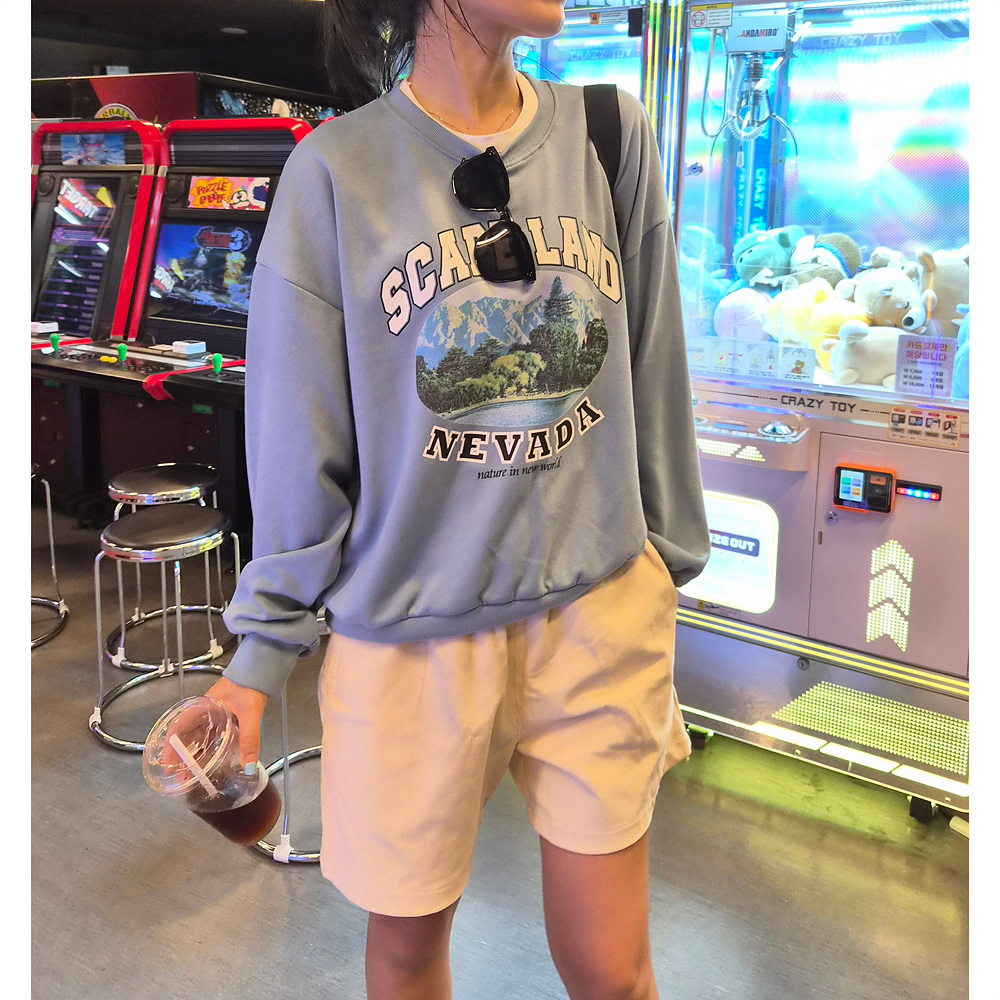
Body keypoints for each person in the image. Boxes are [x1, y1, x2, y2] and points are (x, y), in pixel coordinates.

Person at [207, 1, 710, 997]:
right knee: (406, 950)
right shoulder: (336, 173)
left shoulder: (607, 134)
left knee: (615, 972)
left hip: (598, 610)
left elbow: (654, 367)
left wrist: (664, 560)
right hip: (410, 638)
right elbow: (299, 439)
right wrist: (257, 659)